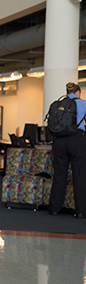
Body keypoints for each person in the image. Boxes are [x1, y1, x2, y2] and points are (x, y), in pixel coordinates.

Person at [48, 82, 86, 218]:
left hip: (59, 141)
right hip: (76, 140)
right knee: (80, 176)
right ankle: (81, 211)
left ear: (66, 93)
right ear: (78, 93)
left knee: (59, 175)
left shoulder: (58, 104)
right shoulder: (83, 103)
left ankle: (54, 209)